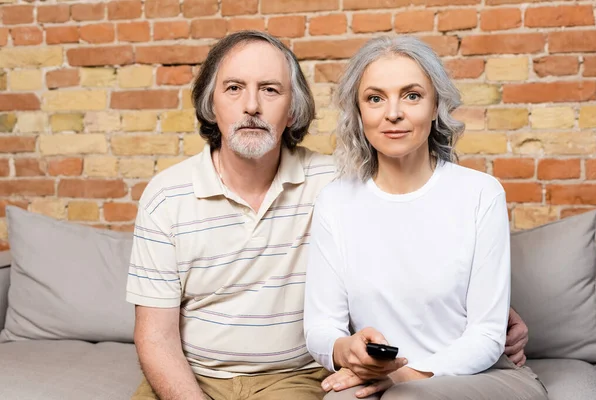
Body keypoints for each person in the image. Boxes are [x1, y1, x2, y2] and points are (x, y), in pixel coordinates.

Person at [126, 30, 532, 400]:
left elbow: (412, 216)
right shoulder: (168, 197)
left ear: (292, 110)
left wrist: (491, 313)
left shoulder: (331, 182)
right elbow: (156, 337)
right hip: (193, 377)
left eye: (270, 90)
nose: (251, 105)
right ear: (211, 104)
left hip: (291, 379)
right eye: (234, 88)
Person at [303, 36, 548, 400]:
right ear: (359, 113)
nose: (393, 113)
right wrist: (345, 351)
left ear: (436, 107)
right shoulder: (334, 201)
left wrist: (406, 378)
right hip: (380, 379)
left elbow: (486, 335)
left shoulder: (481, 194)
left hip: (473, 374)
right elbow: (322, 325)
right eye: (375, 98)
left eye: (412, 95)